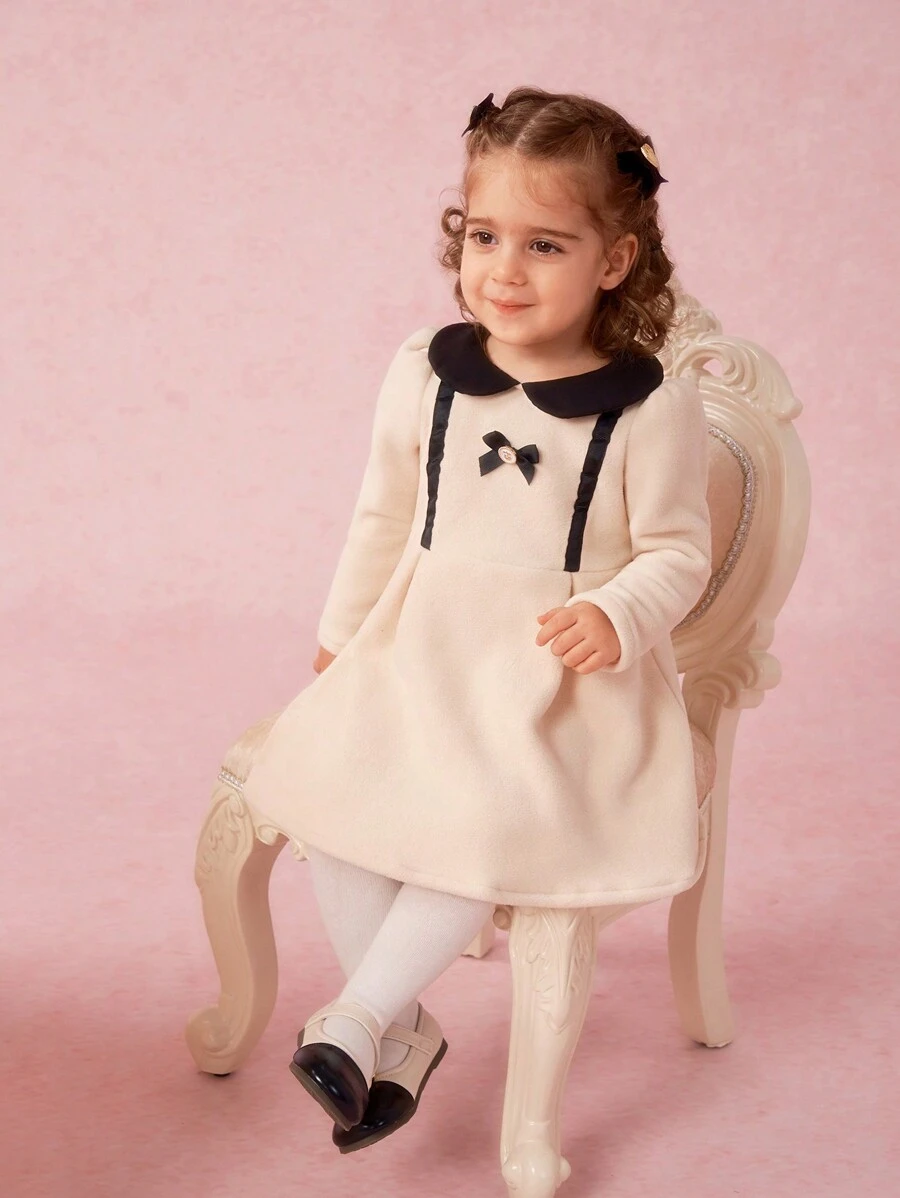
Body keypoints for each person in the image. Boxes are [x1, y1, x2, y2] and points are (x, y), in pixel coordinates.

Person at [241, 85, 712, 1154]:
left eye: (545, 244)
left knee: (486, 820)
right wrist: (342, 635)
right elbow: (381, 514)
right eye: (485, 235)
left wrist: (619, 609)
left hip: (554, 687)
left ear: (613, 261)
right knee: (331, 794)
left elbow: (679, 551)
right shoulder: (427, 372)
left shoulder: (648, 407)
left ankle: (357, 1021)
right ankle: (399, 1029)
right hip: (423, 651)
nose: (504, 268)